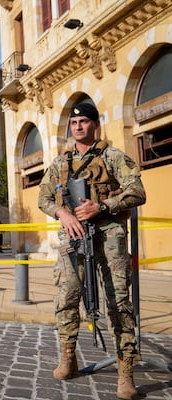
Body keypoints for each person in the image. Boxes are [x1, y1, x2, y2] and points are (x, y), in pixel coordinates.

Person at [38, 102, 146, 400]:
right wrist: (64, 214)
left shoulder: (112, 157)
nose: (78, 127)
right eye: (74, 123)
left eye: (84, 122)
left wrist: (102, 206)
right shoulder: (61, 163)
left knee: (118, 301)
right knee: (66, 297)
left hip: (108, 235)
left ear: (95, 125)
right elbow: (44, 198)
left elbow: (137, 192)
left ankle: (125, 370)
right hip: (73, 237)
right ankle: (68, 356)